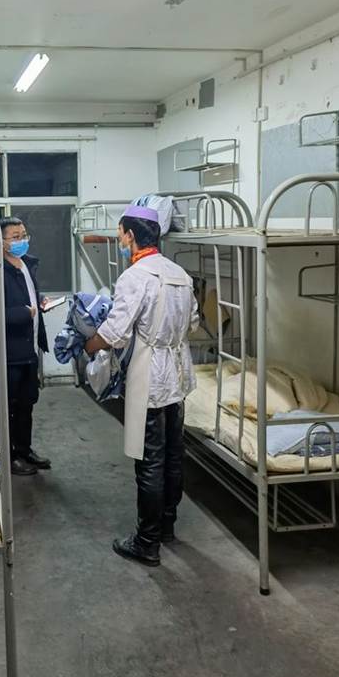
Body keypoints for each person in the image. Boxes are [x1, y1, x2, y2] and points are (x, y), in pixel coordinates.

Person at [85, 204, 198, 567]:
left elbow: (116, 333)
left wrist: (89, 344)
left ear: (131, 235)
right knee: (173, 456)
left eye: (120, 235)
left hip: (151, 375)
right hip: (178, 374)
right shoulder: (180, 274)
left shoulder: (135, 277)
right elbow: (193, 323)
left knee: (150, 461)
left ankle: (146, 542)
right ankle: (166, 527)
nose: (120, 242)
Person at [0, 217, 51, 476]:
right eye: (16, 237)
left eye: (24, 236)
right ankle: (7, 459)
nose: (22, 241)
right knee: (6, 407)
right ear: (2, 242)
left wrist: (40, 302)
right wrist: (24, 313)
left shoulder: (26, 266)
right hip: (8, 352)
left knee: (26, 404)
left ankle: (24, 450)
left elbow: (28, 297)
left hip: (29, 348)